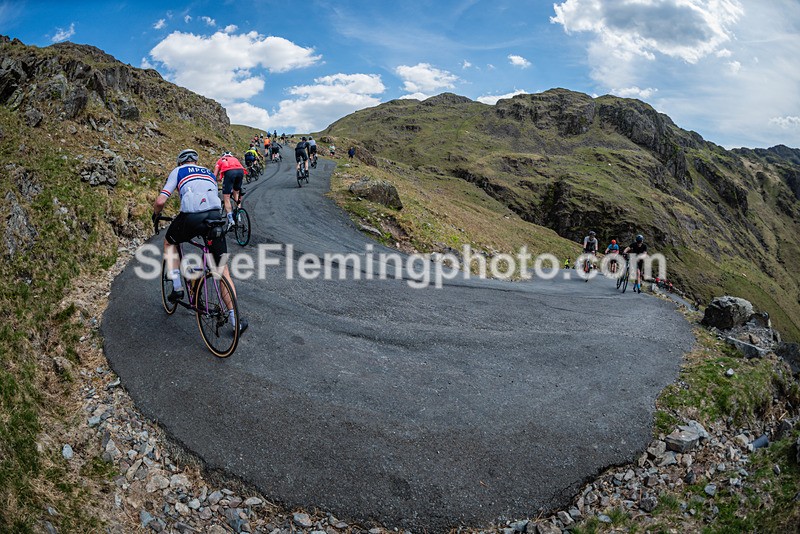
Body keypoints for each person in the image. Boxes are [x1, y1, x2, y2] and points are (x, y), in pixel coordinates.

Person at [151, 149, 247, 333]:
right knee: (222, 269)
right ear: (195, 161)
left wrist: (155, 215)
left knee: (170, 242)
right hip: (214, 217)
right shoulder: (208, 172)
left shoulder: (178, 171)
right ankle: (236, 322)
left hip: (191, 217)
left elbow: (161, 201)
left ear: (180, 162)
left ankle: (177, 286)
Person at [213, 151, 245, 229]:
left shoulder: (221, 160)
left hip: (230, 172)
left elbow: (214, 175)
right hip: (240, 171)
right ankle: (238, 214)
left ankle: (231, 221)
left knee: (226, 197)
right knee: (236, 192)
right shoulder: (235, 158)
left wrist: (214, 183)